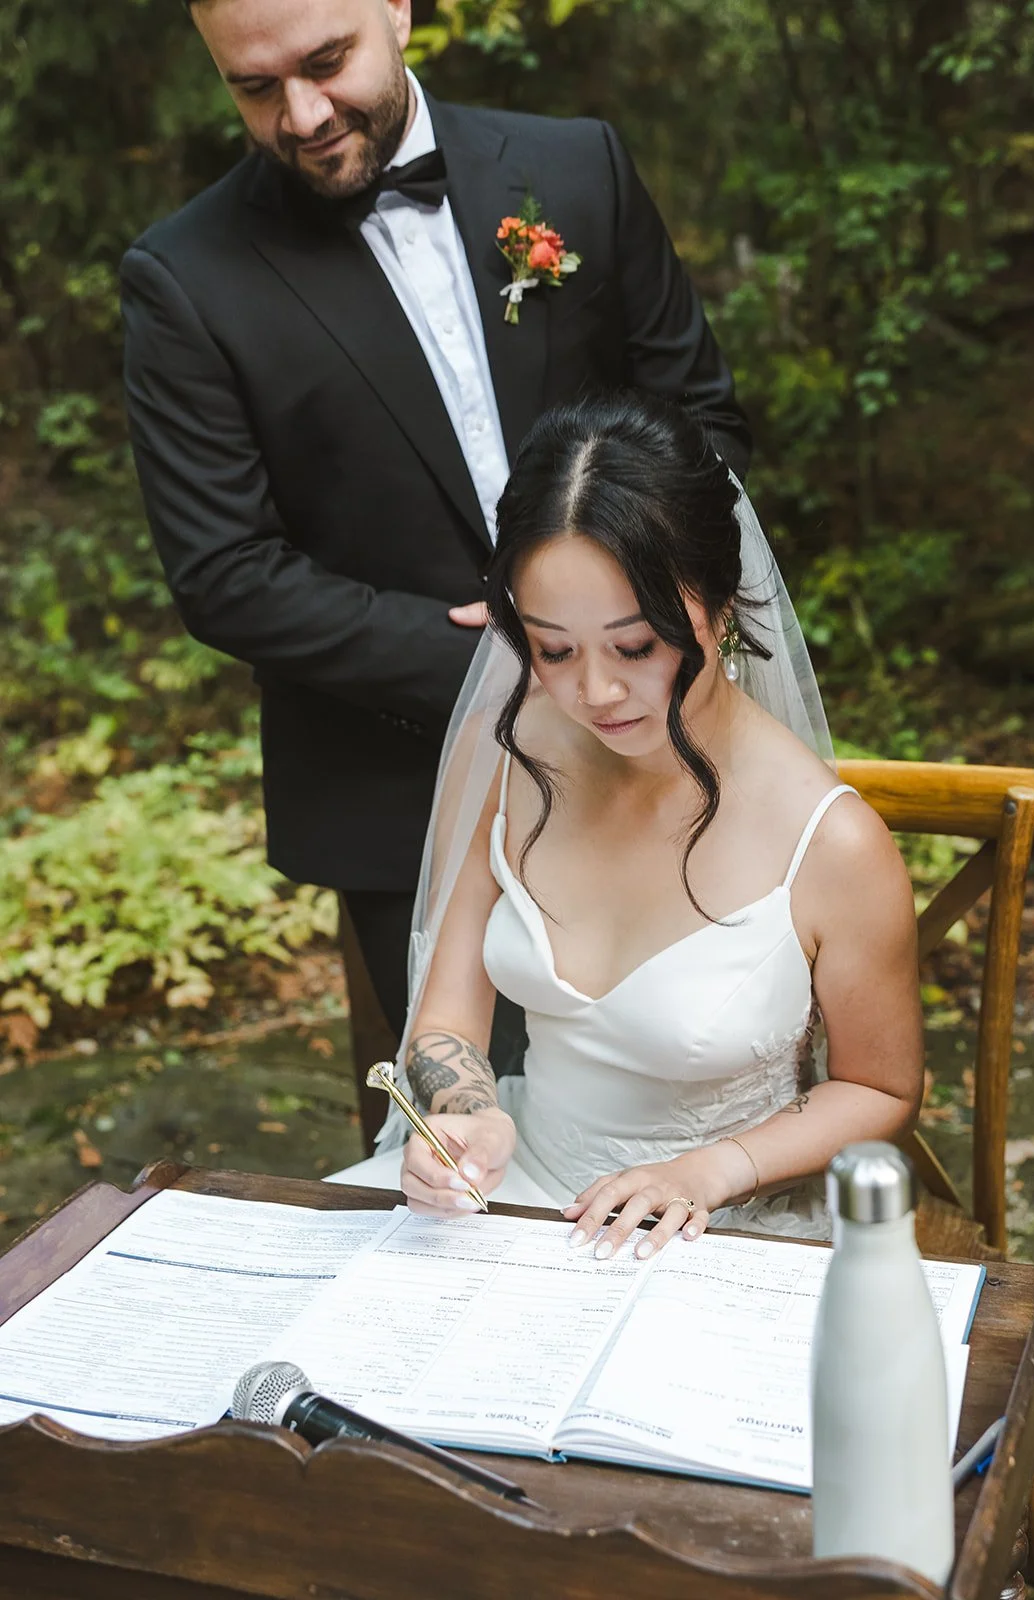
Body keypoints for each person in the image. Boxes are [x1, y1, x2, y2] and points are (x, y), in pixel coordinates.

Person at [120, 0, 751, 1041]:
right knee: (465, 1149)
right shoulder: (184, 278)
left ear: (398, 12)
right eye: (256, 87)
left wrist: (629, 624)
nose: (305, 112)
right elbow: (226, 572)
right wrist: (504, 666)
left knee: (704, 1072)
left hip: (669, 740)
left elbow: (702, 421)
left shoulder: (576, 167)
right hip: (408, 794)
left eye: (328, 62)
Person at [330, 393, 924, 1257]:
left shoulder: (829, 843)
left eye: (635, 646)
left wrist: (709, 1172)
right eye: (553, 650)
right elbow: (447, 1011)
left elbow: (880, 1089)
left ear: (722, 607)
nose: (595, 694)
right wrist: (464, 1115)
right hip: (512, 1188)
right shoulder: (510, 747)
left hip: (712, 1222)